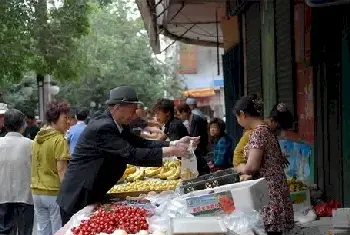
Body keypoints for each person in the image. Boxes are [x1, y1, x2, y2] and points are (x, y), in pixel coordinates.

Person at [57, 86, 198, 225]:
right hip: (79, 195)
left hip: (93, 192)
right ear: (118, 107)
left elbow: (140, 143)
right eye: (132, 110)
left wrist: (173, 144)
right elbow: (131, 154)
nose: (134, 114)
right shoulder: (104, 127)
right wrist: (173, 151)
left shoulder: (117, 125)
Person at [233, 95, 294, 235]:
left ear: (243, 114)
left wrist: (239, 168)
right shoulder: (266, 130)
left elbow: (251, 167)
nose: (238, 121)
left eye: (237, 117)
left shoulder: (259, 132)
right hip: (275, 191)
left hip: (270, 194)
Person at [31, 100, 71, 235]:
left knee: (42, 229)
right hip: (53, 192)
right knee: (57, 229)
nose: (68, 122)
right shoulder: (59, 139)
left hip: (36, 191)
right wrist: (68, 193)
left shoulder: (38, 137)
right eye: (65, 118)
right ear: (55, 118)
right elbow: (62, 170)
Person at [0, 109, 34, 235]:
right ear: (22, 125)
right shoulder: (31, 144)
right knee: (25, 231)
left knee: (4, 231)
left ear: (5, 124)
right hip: (25, 195)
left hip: (2, 195)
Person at [177, 104, 210, 175]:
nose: (180, 117)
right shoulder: (190, 119)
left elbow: (195, 136)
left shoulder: (195, 120)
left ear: (185, 112)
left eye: (180, 114)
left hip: (202, 147)